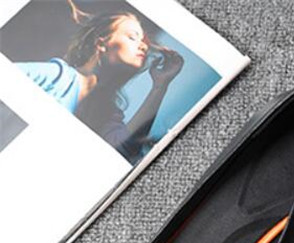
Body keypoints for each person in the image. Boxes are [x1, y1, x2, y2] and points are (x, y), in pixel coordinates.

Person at [16, 0, 183, 163]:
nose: (144, 46)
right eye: (133, 37)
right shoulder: (58, 76)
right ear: (101, 43)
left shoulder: (107, 114)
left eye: (144, 42)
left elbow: (124, 151)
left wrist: (160, 86)